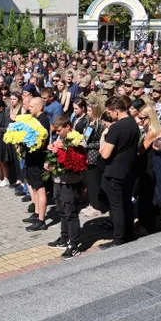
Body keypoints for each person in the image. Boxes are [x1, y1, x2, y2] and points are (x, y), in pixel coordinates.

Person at [100, 97, 140, 247]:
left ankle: (118, 239)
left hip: (114, 171)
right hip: (128, 170)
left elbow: (105, 154)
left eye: (110, 112)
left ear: (116, 110)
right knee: (126, 203)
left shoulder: (116, 127)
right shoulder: (133, 123)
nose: (109, 115)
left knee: (116, 206)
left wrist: (103, 141)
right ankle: (128, 234)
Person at [49, 114, 84, 259]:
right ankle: (64, 238)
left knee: (71, 213)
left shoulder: (77, 140)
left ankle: (73, 244)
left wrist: (60, 165)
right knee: (62, 210)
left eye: (59, 130)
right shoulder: (61, 138)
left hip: (70, 182)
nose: (57, 133)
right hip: (58, 180)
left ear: (67, 127)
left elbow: (78, 161)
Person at [23, 97, 51, 232]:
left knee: (40, 188)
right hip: (31, 157)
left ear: (40, 107)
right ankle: (36, 213)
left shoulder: (43, 120)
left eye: (32, 106)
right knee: (34, 186)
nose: (29, 108)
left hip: (38, 158)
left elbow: (42, 141)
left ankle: (41, 220)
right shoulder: (35, 119)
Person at [136, 105, 161, 234]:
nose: (140, 120)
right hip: (146, 164)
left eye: (142, 118)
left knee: (147, 195)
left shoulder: (152, 131)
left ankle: (147, 225)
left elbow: (142, 149)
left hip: (149, 165)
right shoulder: (148, 128)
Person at [81, 102, 107, 218]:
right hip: (87, 155)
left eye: (90, 110)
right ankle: (92, 203)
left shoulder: (100, 125)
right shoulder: (88, 122)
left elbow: (100, 142)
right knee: (89, 181)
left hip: (94, 155)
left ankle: (97, 206)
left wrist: (88, 145)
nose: (87, 112)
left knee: (94, 182)